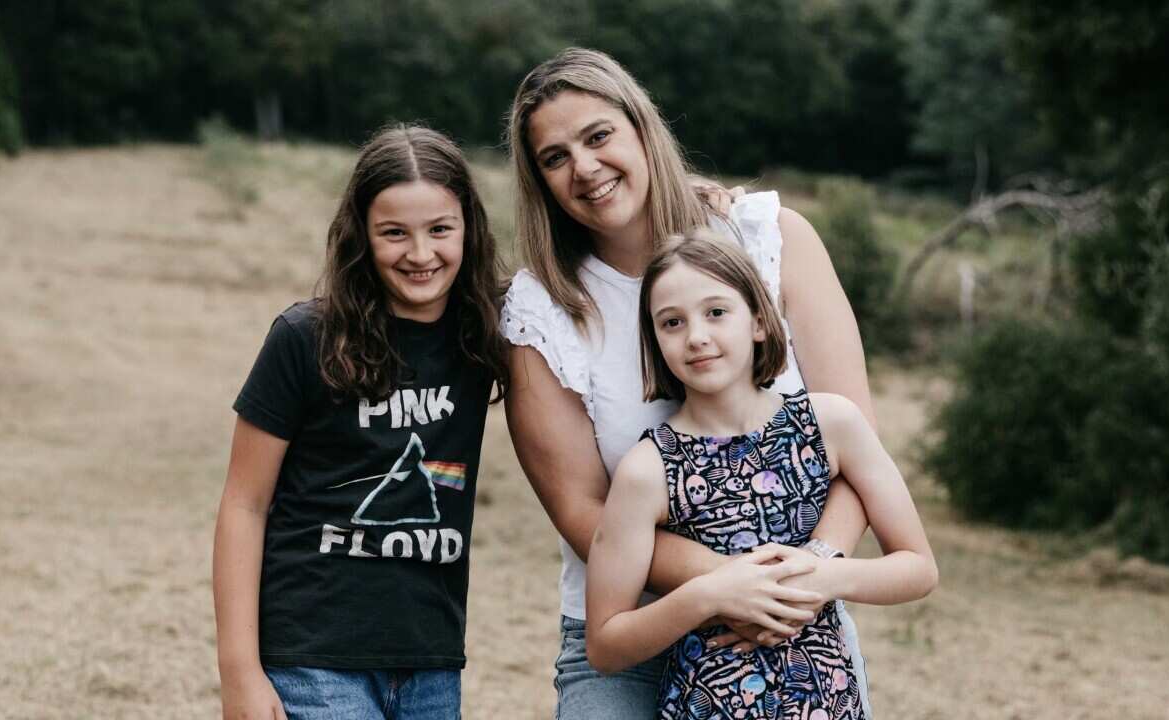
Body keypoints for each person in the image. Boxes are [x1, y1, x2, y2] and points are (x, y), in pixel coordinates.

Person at [501, 47, 881, 717]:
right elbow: (584, 513)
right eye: (555, 158)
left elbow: (854, 446)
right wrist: (727, 584)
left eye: (598, 136)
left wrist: (808, 574)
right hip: (632, 636)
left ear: (641, 127)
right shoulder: (541, 311)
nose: (585, 168)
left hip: (792, 624)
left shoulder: (770, 239)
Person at [212, 124, 508, 719]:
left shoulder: (490, 329)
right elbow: (244, 505)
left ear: (469, 230)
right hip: (311, 656)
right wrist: (239, 672)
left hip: (431, 658)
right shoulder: (305, 338)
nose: (421, 254)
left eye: (440, 230)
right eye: (394, 233)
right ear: (361, 237)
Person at [584, 231, 938, 719]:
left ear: (757, 320)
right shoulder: (648, 470)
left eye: (716, 312)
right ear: (655, 341)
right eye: (672, 322)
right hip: (707, 705)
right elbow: (605, 645)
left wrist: (822, 577)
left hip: (825, 700)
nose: (697, 336)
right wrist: (710, 593)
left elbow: (918, 568)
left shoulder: (831, 422)